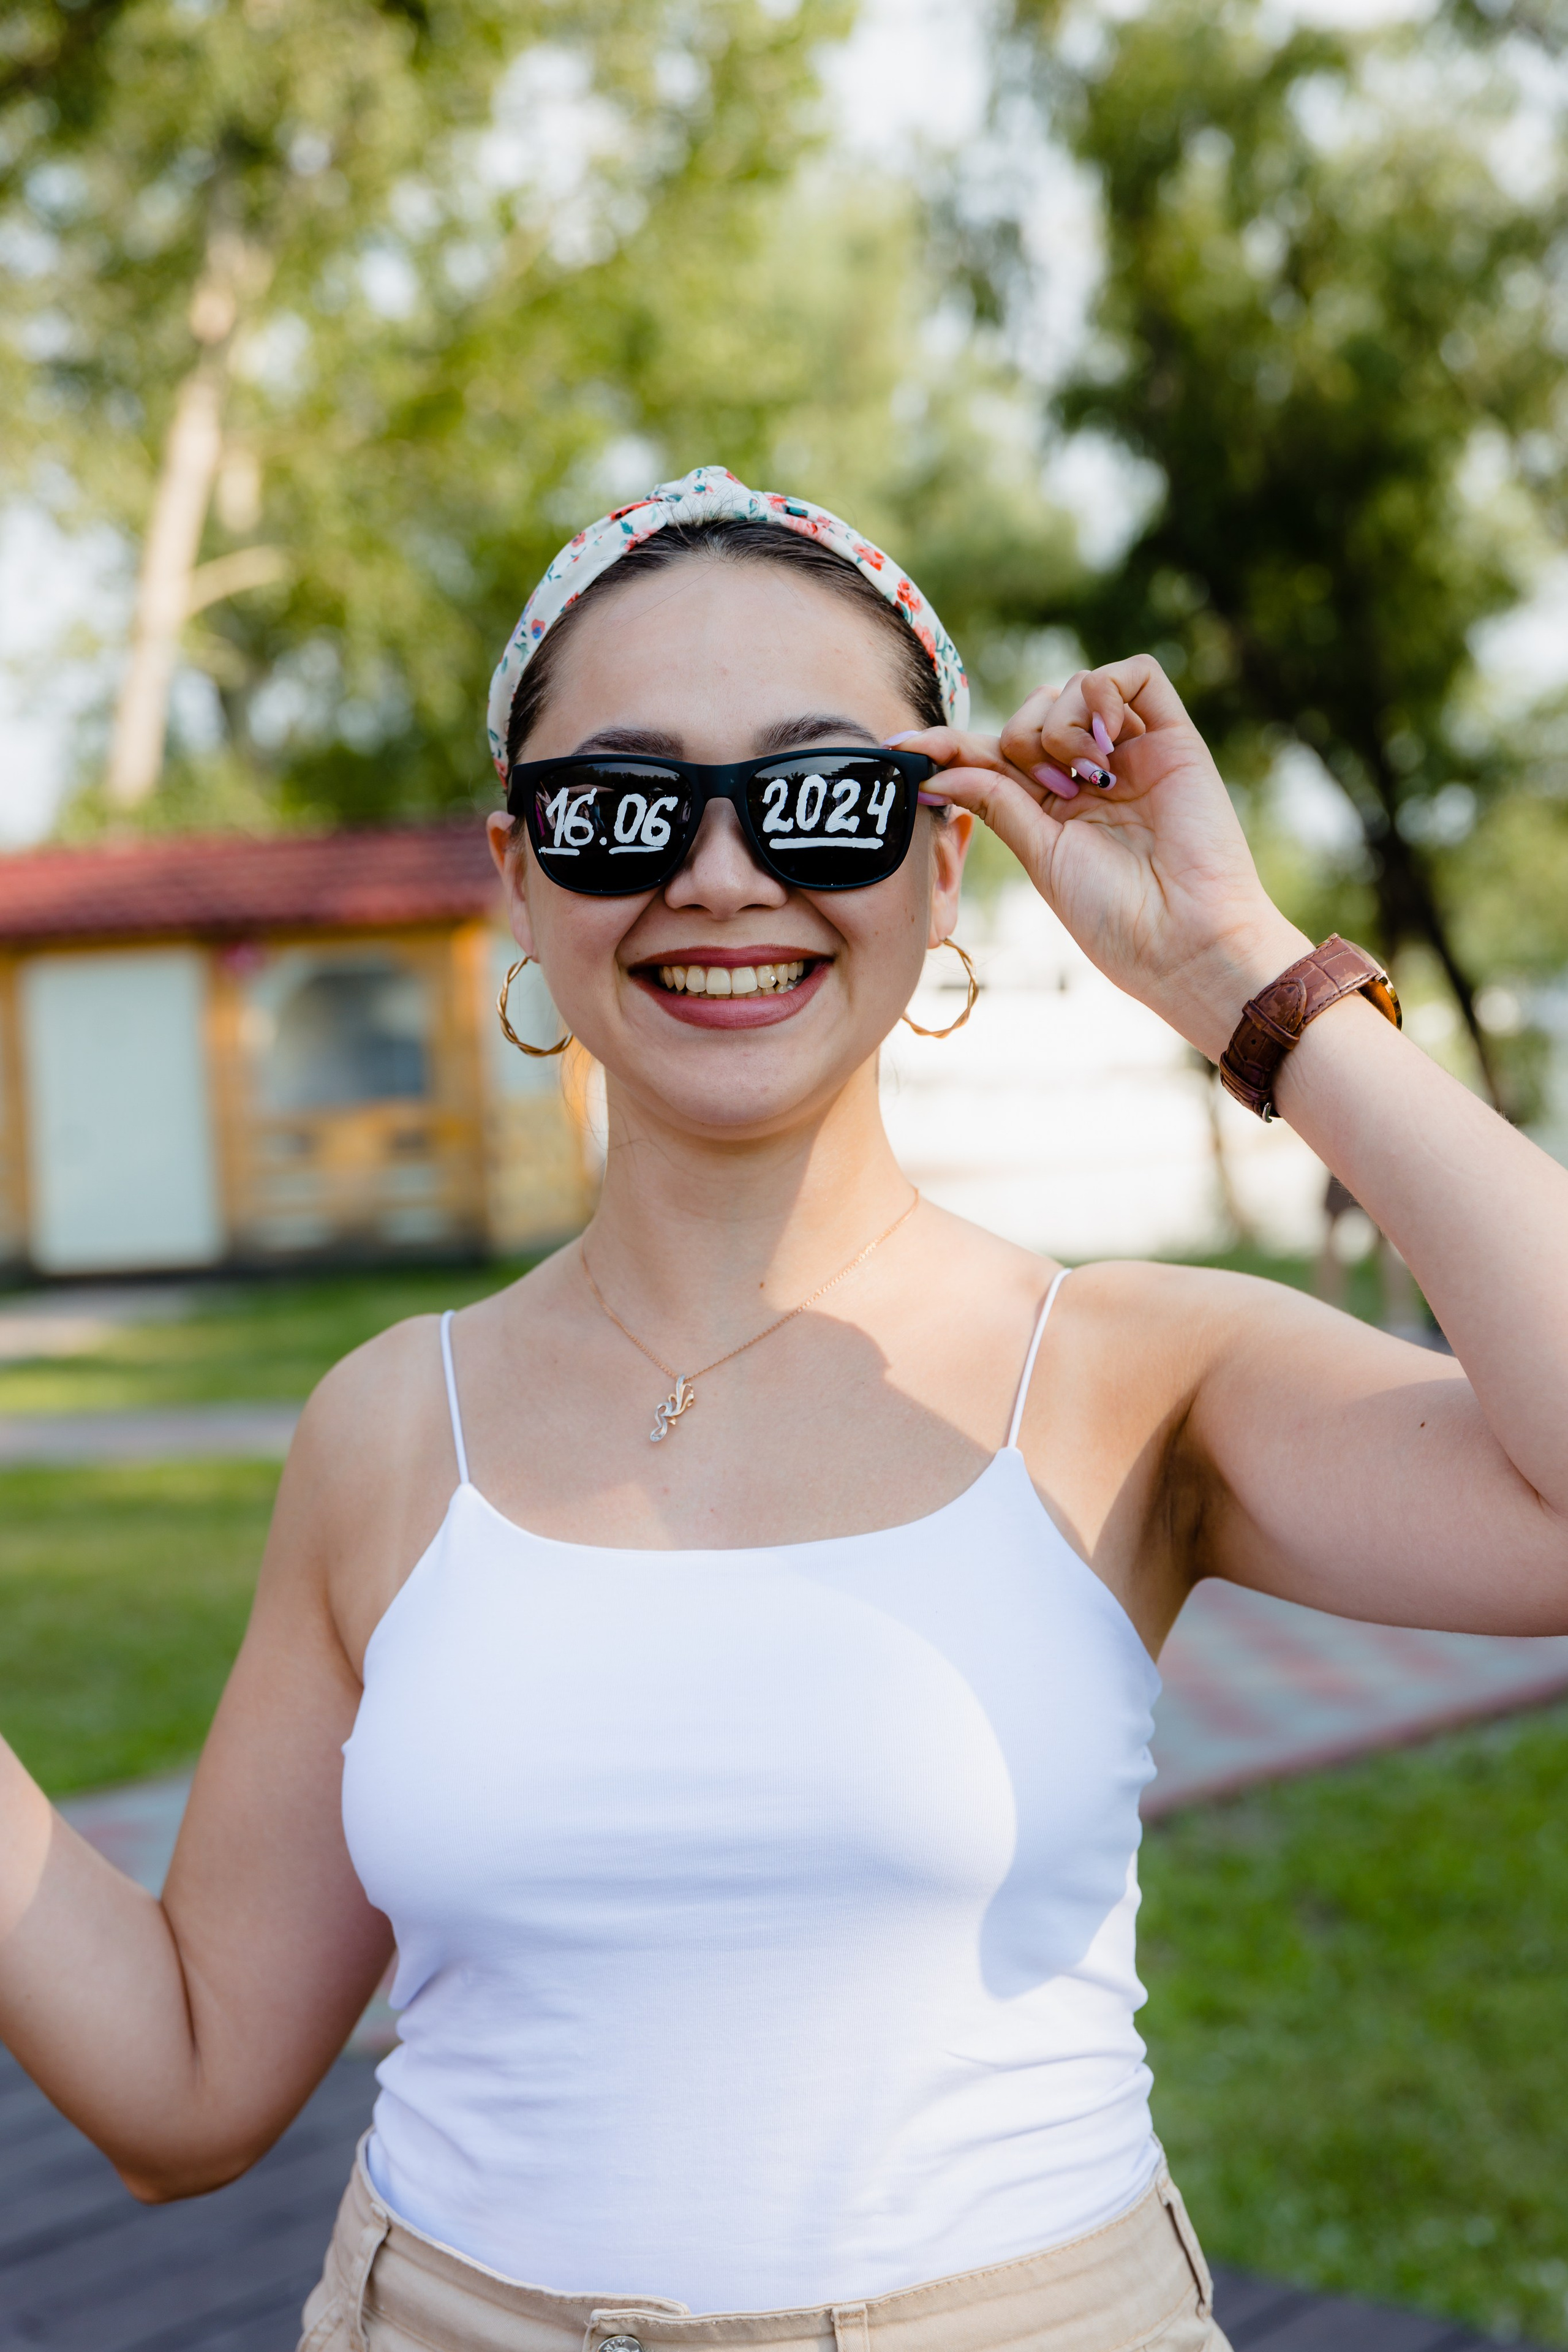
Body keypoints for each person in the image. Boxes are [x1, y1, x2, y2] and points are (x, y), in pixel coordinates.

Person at [2, 467, 1566, 2352]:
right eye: (624, 809)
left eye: (823, 801)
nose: (721, 876)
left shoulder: (1131, 1373)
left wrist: (1237, 972)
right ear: (515, 870)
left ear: (945, 854)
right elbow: (183, 2087)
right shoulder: (387, 1426)